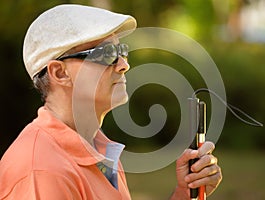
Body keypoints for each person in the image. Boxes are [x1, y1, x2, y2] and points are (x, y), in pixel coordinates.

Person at [0, 4, 222, 200]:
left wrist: (184, 193)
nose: (124, 64)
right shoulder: (42, 171)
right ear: (60, 73)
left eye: (121, 51)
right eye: (106, 53)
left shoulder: (97, 147)